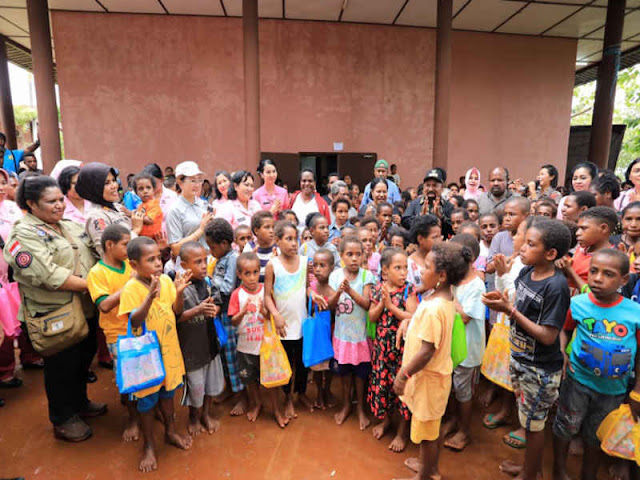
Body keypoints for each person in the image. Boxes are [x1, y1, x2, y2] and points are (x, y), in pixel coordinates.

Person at [5, 175, 104, 442]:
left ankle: (80, 403)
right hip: (54, 314)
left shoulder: (68, 226)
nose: (59, 205)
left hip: (84, 307)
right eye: (51, 202)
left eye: (61, 199)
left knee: (84, 356)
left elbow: (94, 252)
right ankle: (62, 419)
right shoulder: (22, 235)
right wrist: (96, 287)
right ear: (31, 204)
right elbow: (49, 276)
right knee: (62, 366)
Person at [482, 218, 571, 480]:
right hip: (521, 359)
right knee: (527, 419)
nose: (522, 248)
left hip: (540, 368)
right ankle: (529, 467)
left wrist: (509, 310)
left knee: (534, 425)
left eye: (531, 244)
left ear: (551, 253)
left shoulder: (555, 286)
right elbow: (513, 300)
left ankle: (531, 474)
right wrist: (502, 294)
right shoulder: (526, 273)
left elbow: (547, 335)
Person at [554, 249, 640, 480]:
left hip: (613, 390)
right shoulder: (579, 303)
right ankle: (559, 471)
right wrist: (562, 351)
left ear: (624, 280)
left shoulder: (635, 313)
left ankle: (588, 474)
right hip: (577, 381)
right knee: (565, 427)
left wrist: (637, 391)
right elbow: (565, 328)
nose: (598, 278)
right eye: (593, 271)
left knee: (595, 435)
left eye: (608, 274)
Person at [393, 242, 473, 480]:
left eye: (426, 267)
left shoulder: (432, 308)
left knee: (427, 433)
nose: (419, 271)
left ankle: (425, 476)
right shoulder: (444, 297)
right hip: (436, 378)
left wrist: (403, 374)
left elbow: (427, 351)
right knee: (429, 428)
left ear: (441, 275)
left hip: (427, 380)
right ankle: (430, 467)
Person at [118, 236, 192, 472]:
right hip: (146, 358)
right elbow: (135, 321)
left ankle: (170, 431)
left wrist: (179, 293)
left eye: (158, 258)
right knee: (147, 402)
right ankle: (149, 444)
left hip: (168, 351)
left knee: (168, 396)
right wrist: (150, 296)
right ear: (134, 264)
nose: (158, 264)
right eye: (150, 260)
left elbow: (176, 312)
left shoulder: (166, 281)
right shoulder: (131, 288)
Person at [86, 224, 136, 441]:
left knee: (146, 372)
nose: (129, 248)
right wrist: (129, 287)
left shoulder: (128, 264)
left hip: (139, 328)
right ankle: (133, 419)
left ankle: (144, 409)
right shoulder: (97, 273)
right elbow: (104, 305)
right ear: (109, 244)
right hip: (118, 335)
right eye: (126, 244)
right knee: (128, 379)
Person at [367, 247, 417, 452]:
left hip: (403, 352)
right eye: (398, 268)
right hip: (381, 350)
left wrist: (391, 306)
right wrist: (382, 304)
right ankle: (386, 421)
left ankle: (401, 433)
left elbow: (412, 316)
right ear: (385, 271)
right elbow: (371, 317)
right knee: (383, 386)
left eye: (405, 268)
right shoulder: (378, 289)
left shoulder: (409, 290)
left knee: (402, 391)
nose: (403, 272)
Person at [264, 221, 313, 422]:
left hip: (301, 324)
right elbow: (267, 295)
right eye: (289, 239)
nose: (294, 243)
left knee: (302, 363)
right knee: (286, 364)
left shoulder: (304, 262)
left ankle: (300, 394)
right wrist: (275, 314)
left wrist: (314, 295)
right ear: (278, 241)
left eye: (296, 239)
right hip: (283, 325)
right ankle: (287, 398)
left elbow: (306, 287)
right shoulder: (272, 265)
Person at [176, 241, 224, 436]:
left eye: (205, 260)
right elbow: (177, 317)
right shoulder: (179, 288)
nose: (204, 265)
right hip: (191, 350)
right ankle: (193, 416)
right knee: (196, 387)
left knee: (210, 385)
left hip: (210, 344)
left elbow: (218, 302)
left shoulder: (208, 282)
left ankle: (205, 414)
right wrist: (198, 310)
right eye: (198, 262)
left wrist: (214, 309)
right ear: (184, 265)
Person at [328, 236, 375, 430]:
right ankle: (346, 404)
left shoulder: (366, 276)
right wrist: (339, 292)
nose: (354, 258)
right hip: (343, 336)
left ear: (363, 256)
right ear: (341, 256)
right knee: (344, 372)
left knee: (361, 374)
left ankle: (360, 409)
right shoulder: (335, 276)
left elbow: (366, 304)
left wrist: (350, 291)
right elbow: (330, 306)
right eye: (350, 254)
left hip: (361, 337)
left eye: (358, 254)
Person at [444, 234, 486, 452]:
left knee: (464, 391)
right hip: (451, 347)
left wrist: (450, 293)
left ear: (468, 259)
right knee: (452, 386)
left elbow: (465, 317)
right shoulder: (455, 280)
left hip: (468, 351)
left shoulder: (477, 285)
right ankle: (453, 420)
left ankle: (464, 431)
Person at [205, 219, 245, 416]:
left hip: (230, 314)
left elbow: (228, 287)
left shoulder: (232, 259)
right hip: (221, 314)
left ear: (223, 244)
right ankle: (229, 388)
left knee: (232, 357)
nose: (210, 250)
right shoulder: (221, 258)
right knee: (223, 355)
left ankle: (241, 397)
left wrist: (210, 282)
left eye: (212, 247)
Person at [228, 252, 273, 423]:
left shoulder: (265, 291)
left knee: (268, 378)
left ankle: (272, 406)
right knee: (249, 379)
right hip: (245, 347)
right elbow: (233, 321)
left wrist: (263, 312)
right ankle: (256, 404)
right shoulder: (236, 295)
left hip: (265, 346)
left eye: (255, 272)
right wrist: (243, 311)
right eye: (247, 273)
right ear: (239, 274)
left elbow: (271, 316)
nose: (253, 278)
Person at [76, 162, 144, 256]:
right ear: (94, 188)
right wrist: (136, 229)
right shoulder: (96, 217)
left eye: (114, 180)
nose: (114, 186)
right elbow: (108, 254)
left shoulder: (117, 207)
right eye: (107, 183)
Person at [557, 206, 617, 292]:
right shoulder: (581, 249)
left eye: (583, 228)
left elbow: (593, 294)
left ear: (603, 228)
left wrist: (569, 271)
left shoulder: (610, 259)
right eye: (578, 228)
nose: (577, 233)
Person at [166, 161, 214, 256]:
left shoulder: (205, 205)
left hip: (208, 261)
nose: (197, 185)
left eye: (199, 180)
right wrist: (200, 230)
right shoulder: (174, 210)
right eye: (192, 180)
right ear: (180, 182)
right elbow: (175, 249)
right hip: (188, 264)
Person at [310, 248, 337, 410]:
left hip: (332, 330)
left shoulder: (334, 286)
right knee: (318, 365)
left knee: (330, 364)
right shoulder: (311, 287)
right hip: (317, 331)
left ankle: (328, 390)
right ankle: (319, 391)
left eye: (323, 265)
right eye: (315, 265)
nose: (318, 269)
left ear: (332, 267)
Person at [402, 169, 453, 236]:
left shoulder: (448, 206)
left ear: (442, 188)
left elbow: (453, 227)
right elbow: (404, 222)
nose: (431, 189)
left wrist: (441, 218)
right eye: (428, 185)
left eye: (435, 186)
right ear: (423, 187)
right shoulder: (414, 204)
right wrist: (420, 217)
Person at [407, 215, 441, 296]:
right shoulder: (409, 264)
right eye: (435, 237)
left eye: (440, 236)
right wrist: (429, 286)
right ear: (420, 239)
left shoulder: (442, 258)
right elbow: (406, 293)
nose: (439, 241)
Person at [244, 211, 276, 283]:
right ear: (256, 230)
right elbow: (245, 274)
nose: (271, 231)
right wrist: (251, 262)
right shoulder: (249, 247)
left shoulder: (278, 248)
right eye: (267, 227)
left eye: (273, 227)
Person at [133, 174, 163, 239]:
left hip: (153, 239)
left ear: (153, 190)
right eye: (141, 189)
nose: (145, 191)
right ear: (136, 192)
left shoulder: (154, 204)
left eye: (148, 188)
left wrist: (132, 214)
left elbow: (149, 220)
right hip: (143, 238)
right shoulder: (141, 206)